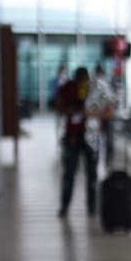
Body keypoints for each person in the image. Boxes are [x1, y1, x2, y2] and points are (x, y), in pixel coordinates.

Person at [55, 67, 115, 218]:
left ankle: (92, 207)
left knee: (92, 173)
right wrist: (72, 110)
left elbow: (109, 112)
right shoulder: (67, 88)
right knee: (69, 172)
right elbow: (59, 107)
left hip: (92, 135)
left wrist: (91, 113)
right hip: (73, 136)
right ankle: (64, 206)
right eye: (79, 82)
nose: (82, 85)